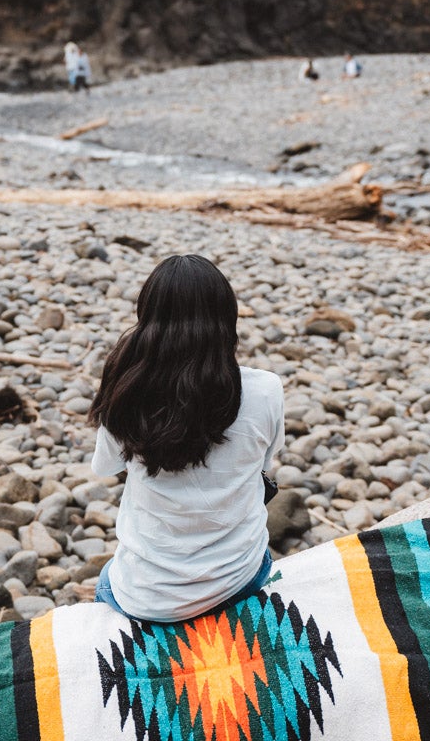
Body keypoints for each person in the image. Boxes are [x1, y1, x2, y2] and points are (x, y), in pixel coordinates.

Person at [88, 254, 284, 622]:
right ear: (227, 318)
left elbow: (105, 467)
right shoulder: (265, 390)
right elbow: (265, 464)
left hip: (143, 596)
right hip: (237, 582)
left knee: (107, 580)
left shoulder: (128, 390)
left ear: (148, 318)